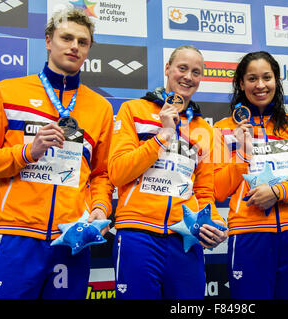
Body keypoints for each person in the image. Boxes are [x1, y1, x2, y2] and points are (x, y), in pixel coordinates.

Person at [0, 8, 114, 298]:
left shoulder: (100, 107)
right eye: (66, 38)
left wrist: (100, 208)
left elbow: (102, 174)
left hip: (71, 239)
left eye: (82, 42)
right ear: (48, 40)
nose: (74, 47)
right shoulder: (8, 92)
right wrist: (27, 152)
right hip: (19, 237)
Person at [108, 45, 227, 299]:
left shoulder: (205, 129)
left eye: (196, 72)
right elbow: (117, 172)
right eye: (182, 68)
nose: (188, 77)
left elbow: (204, 193)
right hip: (138, 234)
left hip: (184, 240)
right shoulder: (134, 110)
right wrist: (162, 137)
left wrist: (214, 223)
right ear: (167, 69)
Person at [213, 51, 288, 298]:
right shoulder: (223, 128)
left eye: (267, 77)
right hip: (248, 235)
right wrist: (241, 154)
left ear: (277, 80)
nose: (260, 85)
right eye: (252, 78)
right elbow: (217, 189)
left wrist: (277, 192)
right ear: (241, 83)